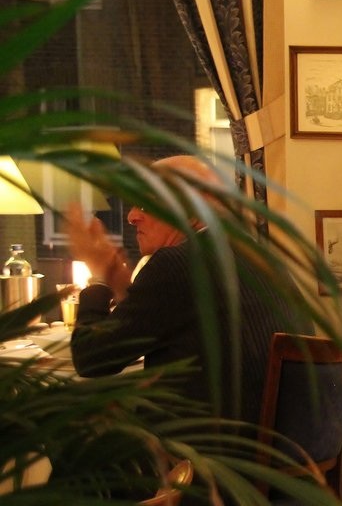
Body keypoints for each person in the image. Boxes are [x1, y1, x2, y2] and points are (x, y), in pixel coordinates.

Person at [66, 155, 312, 423]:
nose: (132, 216)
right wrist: (118, 281)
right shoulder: (259, 256)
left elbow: (91, 359)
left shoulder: (178, 264)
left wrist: (99, 276)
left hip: (209, 456)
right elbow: (154, 321)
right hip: (284, 449)